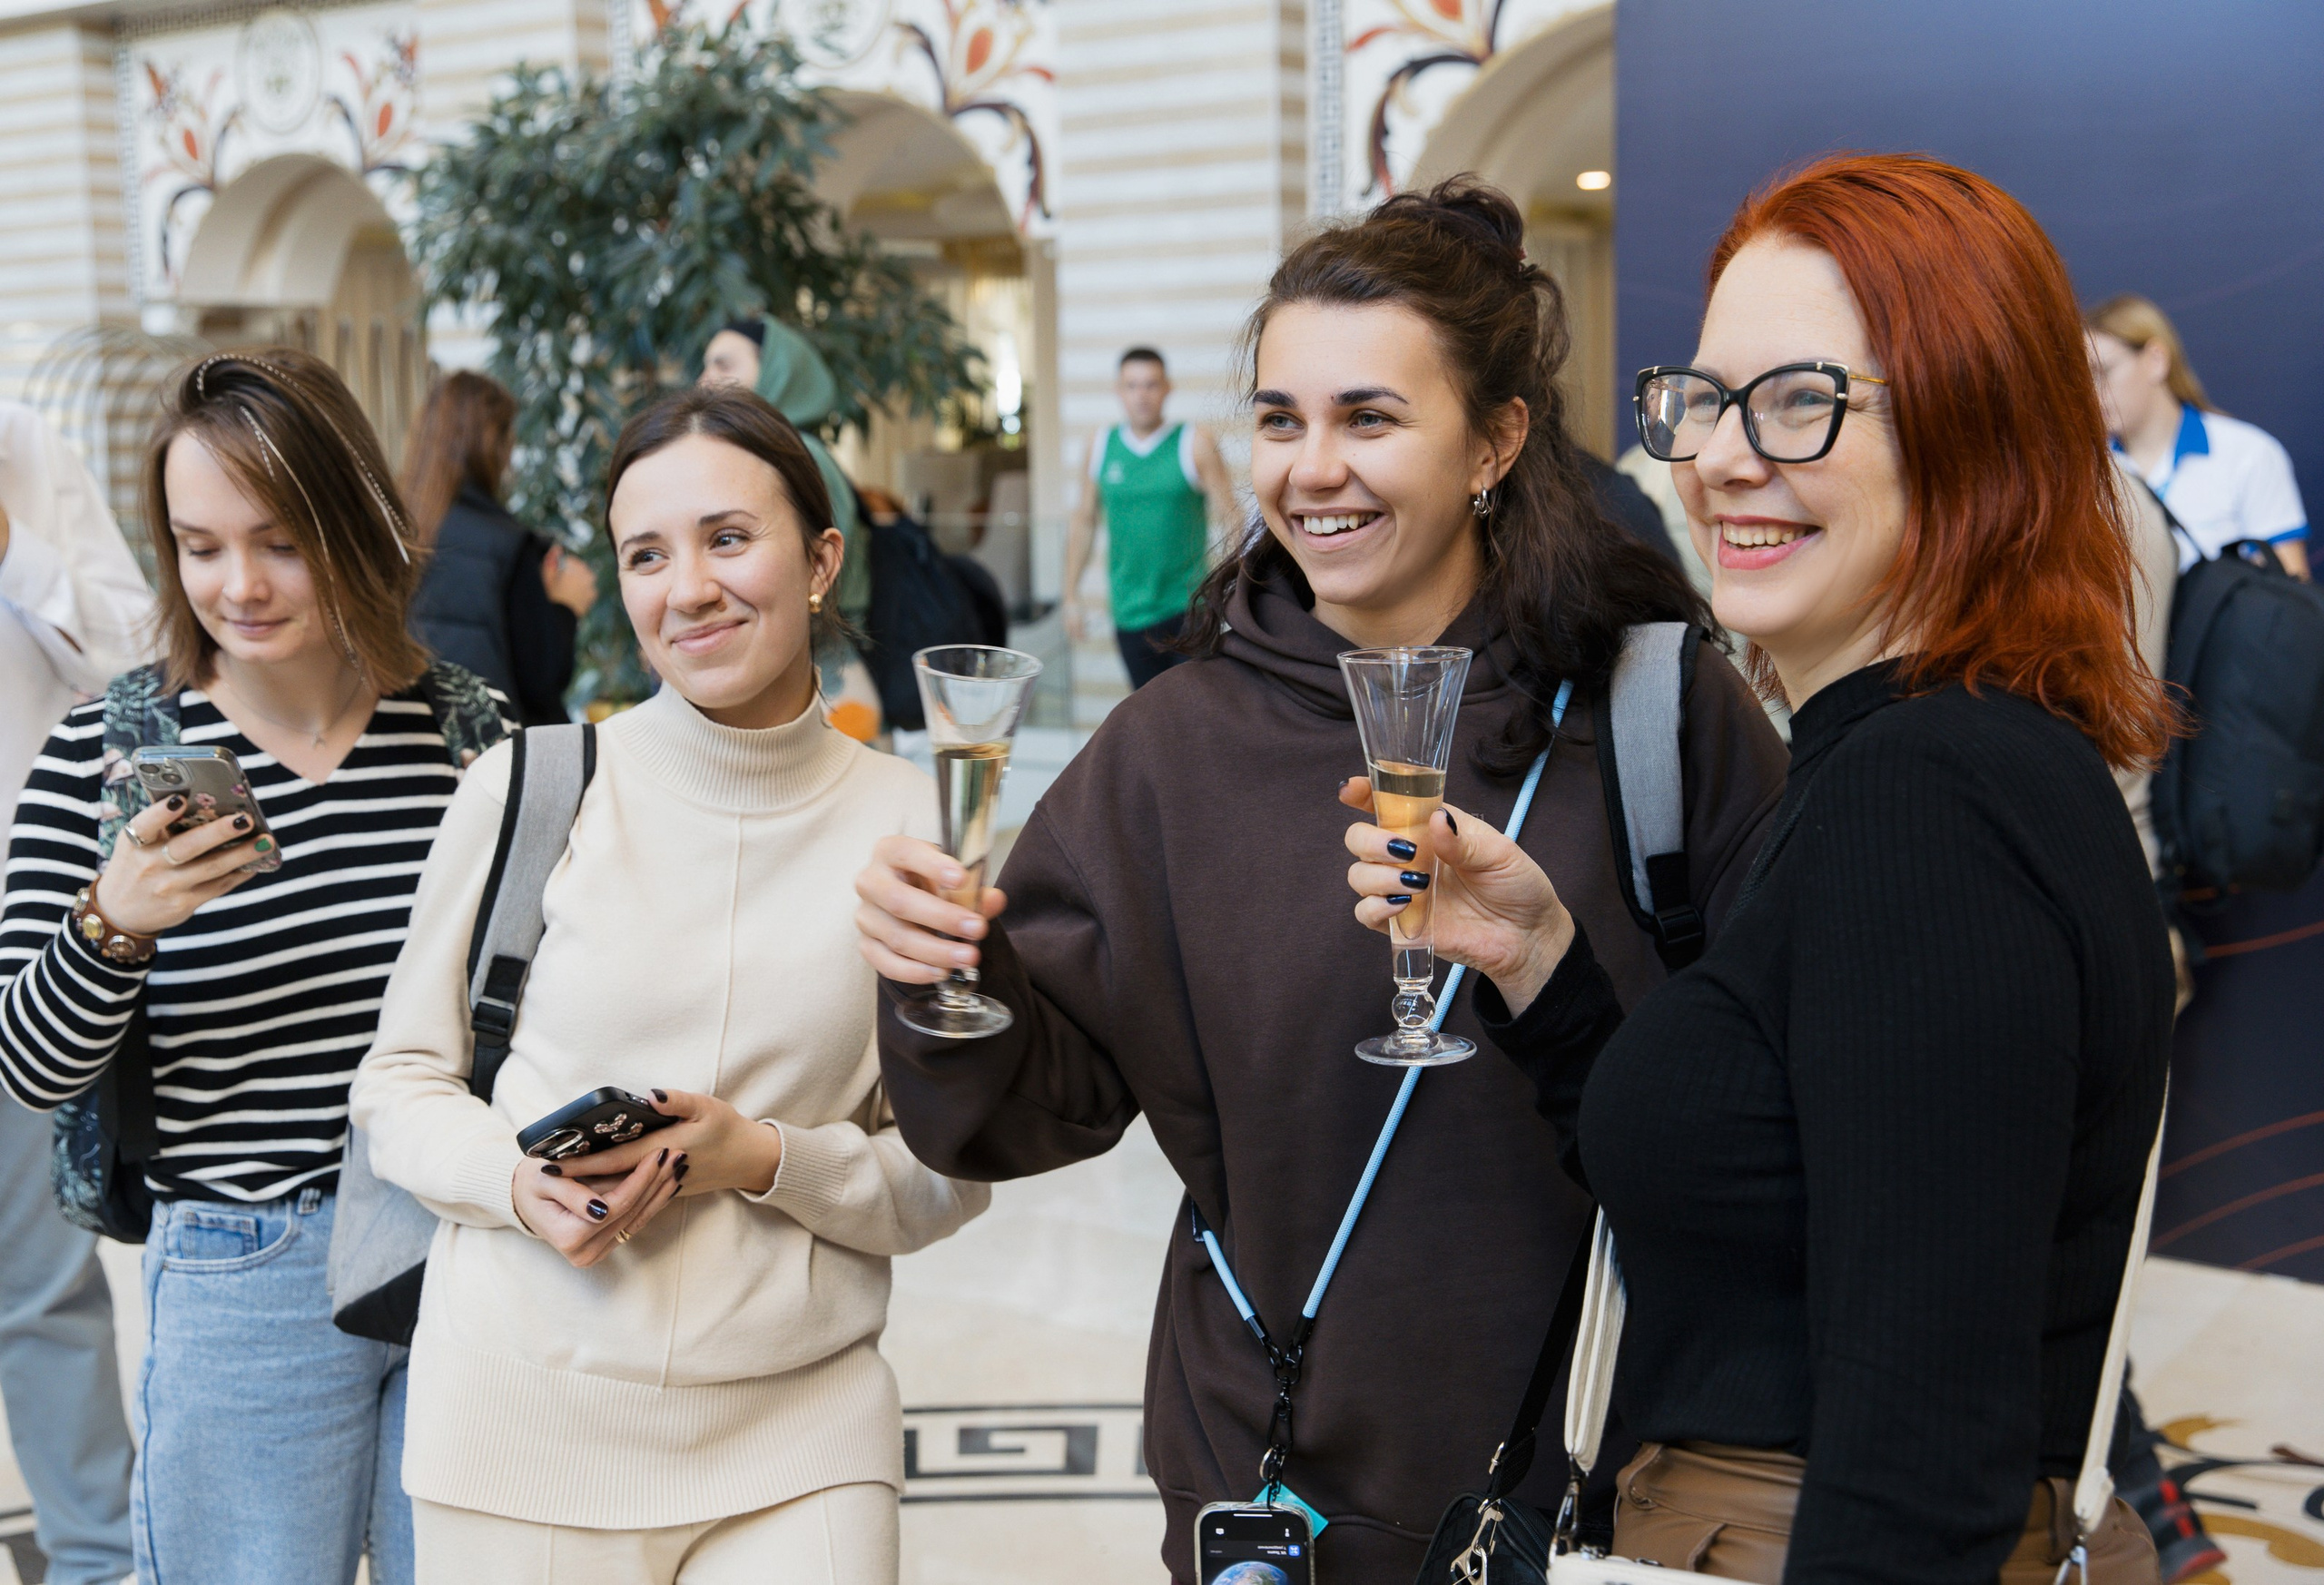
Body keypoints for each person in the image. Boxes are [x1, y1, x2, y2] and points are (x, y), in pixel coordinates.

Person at [856, 179, 1788, 1581]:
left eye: (1369, 417)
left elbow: (1781, 1107)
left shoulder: (1655, 716)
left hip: (1595, 1485)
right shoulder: (1177, 744)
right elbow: (1027, 1109)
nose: (1311, 469)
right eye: (1282, 420)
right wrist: (942, 968)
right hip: (1271, 1484)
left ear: (1495, 441)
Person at [1344, 154, 2175, 1585]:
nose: (1723, 454)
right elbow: (1764, 1195)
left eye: (1803, 400)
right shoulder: (1899, 759)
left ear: (1979, 428)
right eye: (1709, 399)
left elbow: (1923, 1459)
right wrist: (1541, 963)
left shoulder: (1929, 801)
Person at [353, 385, 987, 1585]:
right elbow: (400, 1082)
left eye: (729, 538)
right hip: (521, 1425)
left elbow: (952, 1171)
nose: (686, 587)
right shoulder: (535, 786)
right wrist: (513, 1178)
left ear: (821, 559)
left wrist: (765, 1158)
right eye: (646, 554)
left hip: (804, 1434)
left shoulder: (921, 831)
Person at [0, 349, 512, 1585]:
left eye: (278, 541)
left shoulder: (468, 735)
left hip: (468, 1254)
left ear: (355, 520)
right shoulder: (106, 754)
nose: (238, 584)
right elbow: (27, 1062)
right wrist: (111, 924)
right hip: (246, 1268)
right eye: (199, 544)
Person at [0, 401, 147, 1585]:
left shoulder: (29, 449)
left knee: (40, 1287)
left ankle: (96, 1563)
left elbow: (137, 665)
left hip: (18, 937)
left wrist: (13, 544)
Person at [402, 369, 596, 724]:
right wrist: (566, 605)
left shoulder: (397, 532)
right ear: (496, 442)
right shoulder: (505, 544)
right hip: (496, 753)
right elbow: (542, 679)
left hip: (420, 742)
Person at [2088, 294, 2308, 579]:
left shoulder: (2248, 454)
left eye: (2101, 372)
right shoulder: (2086, 473)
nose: (2090, 394)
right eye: (2080, 379)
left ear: (2156, 359)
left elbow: (2289, 597)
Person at [1062, 346, 1238, 687]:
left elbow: (1230, 516)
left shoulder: (1194, 442)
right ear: (1119, 391)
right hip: (1129, 611)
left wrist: (1232, 589)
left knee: (1192, 711)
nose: (1142, 395)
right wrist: (1071, 595)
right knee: (1147, 714)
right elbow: (1084, 520)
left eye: (1151, 385)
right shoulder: (1100, 445)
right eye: (1132, 385)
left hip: (1190, 607)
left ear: (1167, 388)